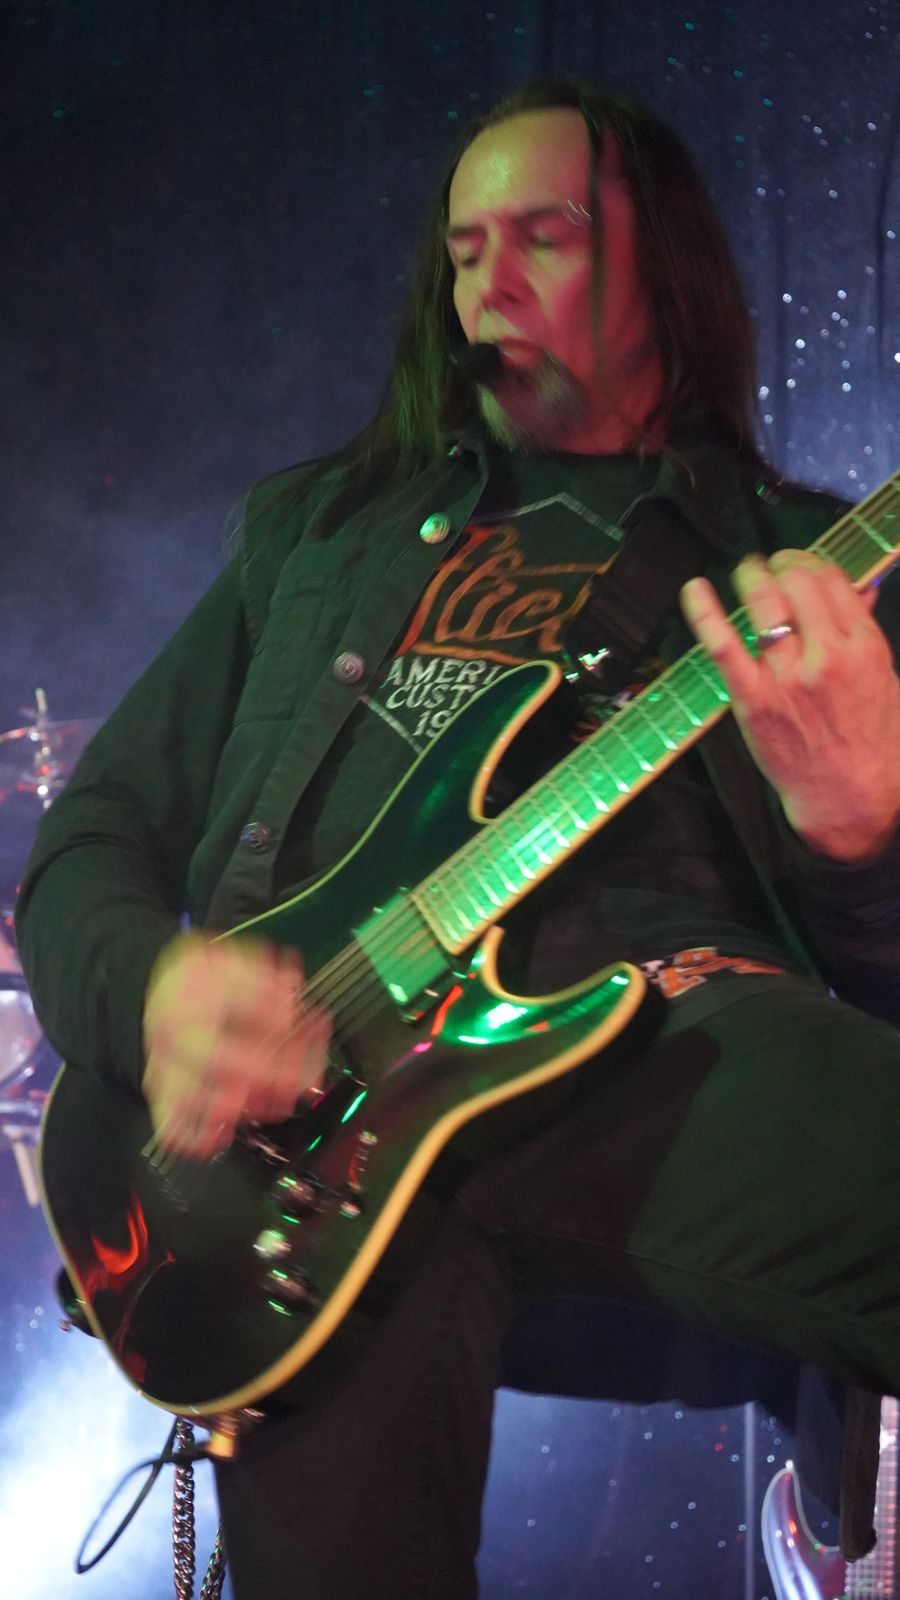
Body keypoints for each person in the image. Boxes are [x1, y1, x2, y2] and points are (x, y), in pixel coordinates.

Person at [16, 78, 900, 1599]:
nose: (488, 279)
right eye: (465, 246)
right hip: (316, 1137)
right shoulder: (318, 533)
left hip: (661, 1053)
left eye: (544, 234)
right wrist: (156, 989)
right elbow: (92, 835)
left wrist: (863, 833)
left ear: (665, 270)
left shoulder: (796, 567)